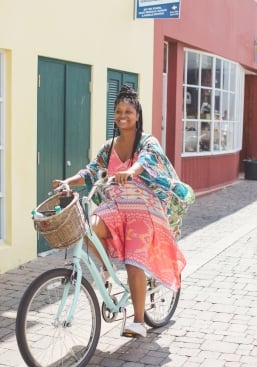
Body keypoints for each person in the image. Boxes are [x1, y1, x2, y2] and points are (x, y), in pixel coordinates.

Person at [52, 85, 194, 337]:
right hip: (116, 207)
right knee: (87, 228)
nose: (122, 115)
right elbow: (90, 171)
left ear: (137, 115)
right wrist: (67, 181)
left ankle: (139, 322)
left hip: (145, 210)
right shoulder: (109, 148)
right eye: (118, 111)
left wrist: (131, 171)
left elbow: (147, 161)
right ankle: (106, 269)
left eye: (128, 111)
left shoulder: (148, 142)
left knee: (133, 263)